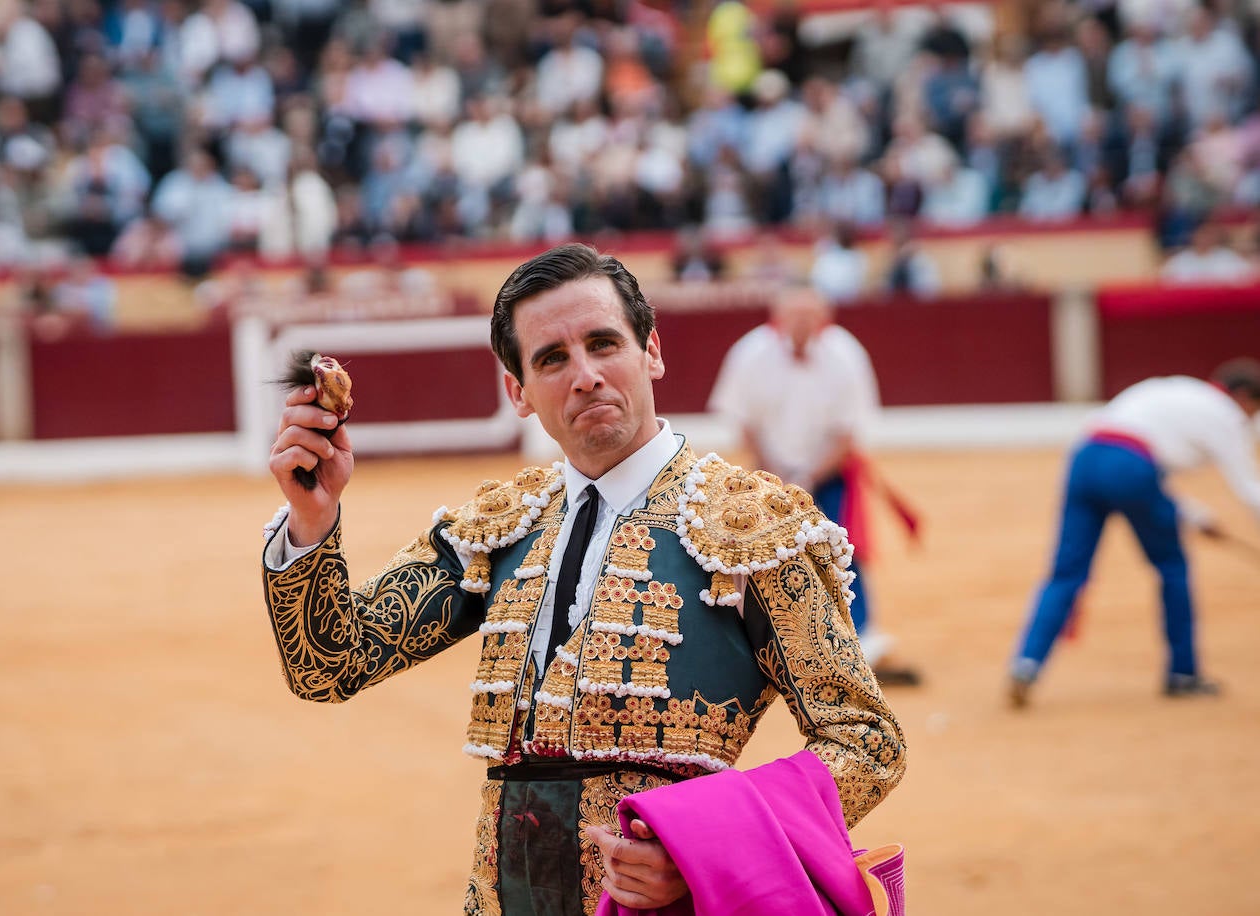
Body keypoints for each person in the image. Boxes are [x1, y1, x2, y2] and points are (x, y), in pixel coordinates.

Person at [261, 243, 906, 915]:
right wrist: (313, 520)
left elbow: (865, 739)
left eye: (604, 344)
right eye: (552, 358)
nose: (587, 375)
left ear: (650, 351)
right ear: (517, 391)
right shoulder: (498, 526)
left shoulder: (751, 527)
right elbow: (331, 665)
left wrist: (704, 850)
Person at [1009, 359, 1260, 706]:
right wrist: (1194, 516)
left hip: (1085, 457)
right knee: (1172, 568)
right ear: (1244, 397)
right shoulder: (1226, 415)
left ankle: (1027, 663)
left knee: (1065, 573)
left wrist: (1197, 516)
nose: (1251, 418)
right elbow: (1249, 491)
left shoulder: (1176, 388)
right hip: (1131, 466)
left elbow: (1140, 461)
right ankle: (1182, 673)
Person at [708, 282, 920, 686]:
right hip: (770, 475)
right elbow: (743, 422)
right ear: (779, 316)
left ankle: (857, 639)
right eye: (794, 316)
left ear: (825, 318)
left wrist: (808, 477)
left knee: (842, 548)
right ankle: (774, 639)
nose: (802, 325)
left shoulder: (845, 354)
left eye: (811, 317)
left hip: (829, 470)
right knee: (766, 554)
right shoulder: (751, 354)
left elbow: (848, 434)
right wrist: (777, 473)